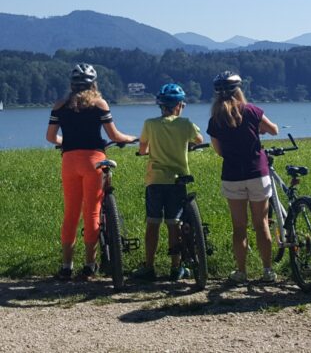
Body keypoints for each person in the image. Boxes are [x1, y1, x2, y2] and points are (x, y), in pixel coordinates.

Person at [46, 63, 136, 281]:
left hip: (69, 161)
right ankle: (89, 265)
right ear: (93, 84)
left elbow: (50, 137)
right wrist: (131, 138)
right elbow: (114, 136)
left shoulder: (60, 105)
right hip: (93, 162)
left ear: (72, 85)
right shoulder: (99, 104)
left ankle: (66, 266)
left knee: (71, 213)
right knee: (93, 212)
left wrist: (65, 143)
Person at [207, 71, 279, 284]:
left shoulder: (215, 120)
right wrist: (258, 129)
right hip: (257, 173)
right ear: (239, 90)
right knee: (261, 223)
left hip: (232, 176)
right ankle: (267, 271)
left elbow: (219, 151)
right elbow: (273, 130)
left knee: (239, 228)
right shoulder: (252, 111)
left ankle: (241, 272)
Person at [133, 83, 203, 281]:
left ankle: (149, 266)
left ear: (161, 106)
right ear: (180, 105)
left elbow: (143, 148)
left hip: (155, 180)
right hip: (177, 181)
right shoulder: (186, 124)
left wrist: (145, 151)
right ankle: (175, 267)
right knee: (174, 224)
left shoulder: (150, 124)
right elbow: (199, 139)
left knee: (153, 223)